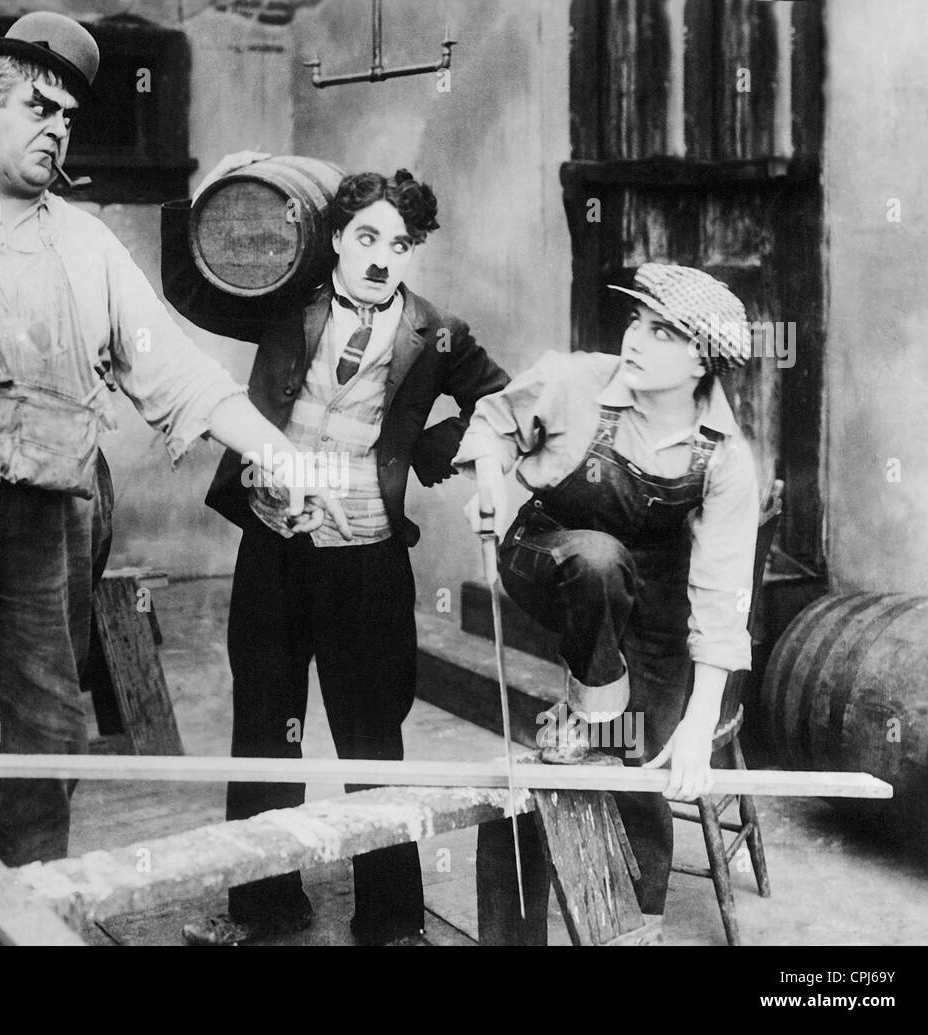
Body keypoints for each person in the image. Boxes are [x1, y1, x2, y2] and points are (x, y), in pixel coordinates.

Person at [0, 14, 344, 946]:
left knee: (48, 732)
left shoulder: (86, 245)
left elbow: (181, 373)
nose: (57, 129)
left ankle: (27, 919)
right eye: (39, 107)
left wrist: (279, 454)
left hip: (48, 505)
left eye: (71, 119)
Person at [161, 156, 511, 945]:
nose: (383, 255)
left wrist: (426, 450)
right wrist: (215, 186)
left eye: (400, 241)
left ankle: (389, 921)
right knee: (262, 726)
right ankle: (264, 905)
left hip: (366, 556)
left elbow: (505, 401)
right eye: (366, 236)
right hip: (275, 542)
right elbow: (188, 285)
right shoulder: (290, 300)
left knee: (371, 736)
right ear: (337, 239)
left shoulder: (437, 332)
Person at [453, 262, 762, 944]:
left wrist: (695, 720)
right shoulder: (575, 380)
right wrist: (487, 479)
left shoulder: (725, 459)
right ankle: (594, 699)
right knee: (597, 559)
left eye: (661, 330)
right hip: (550, 553)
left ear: (702, 358)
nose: (635, 338)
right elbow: (495, 419)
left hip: (651, 594)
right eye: (635, 321)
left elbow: (719, 598)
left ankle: (633, 926)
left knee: (642, 755)